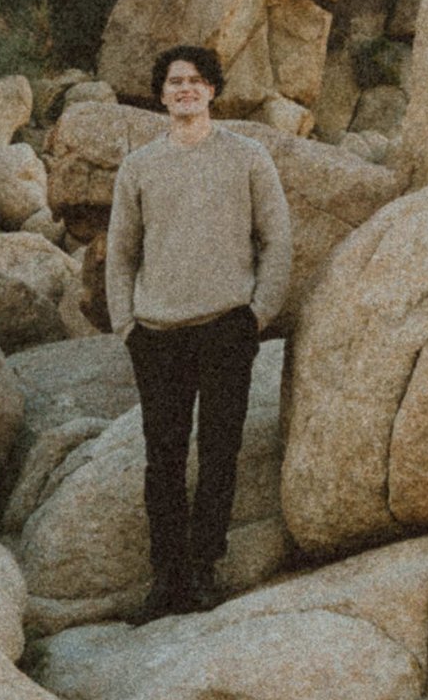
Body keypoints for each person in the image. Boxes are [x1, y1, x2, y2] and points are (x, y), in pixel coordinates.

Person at [104, 45, 292, 617]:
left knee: (219, 452)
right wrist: (125, 325)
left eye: (195, 81)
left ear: (212, 90)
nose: (185, 89)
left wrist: (257, 313)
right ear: (161, 95)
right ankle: (166, 578)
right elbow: (120, 252)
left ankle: (204, 568)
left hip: (225, 328)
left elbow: (277, 239)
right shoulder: (139, 166)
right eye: (174, 82)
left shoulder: (248, 156)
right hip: (156, 332)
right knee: (162, 459)